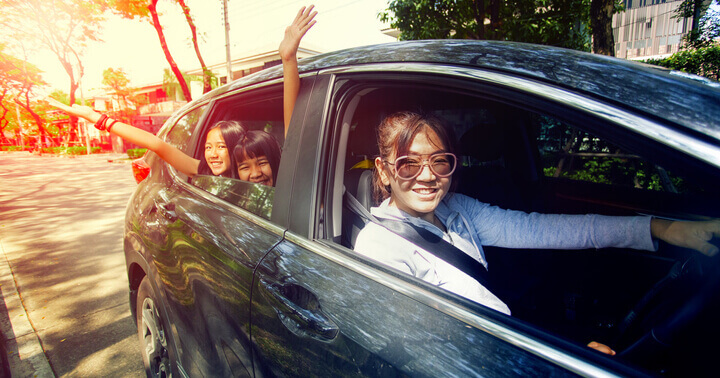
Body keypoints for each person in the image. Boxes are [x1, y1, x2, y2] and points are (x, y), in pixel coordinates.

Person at [353, 111, 720, 354]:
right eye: (408, 163)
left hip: (508, 344)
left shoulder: (458, 208)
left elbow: (545, 228)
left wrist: (662, 228)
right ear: (384, 171)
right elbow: (422, 350)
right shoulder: (380, 246)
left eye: (439, 161)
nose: (428, 175)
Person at [229, 5, 316, 187]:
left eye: (262, 163)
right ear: (236, 173)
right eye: (244, 167)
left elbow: (293, 136)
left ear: (277, 162)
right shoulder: (237, 200)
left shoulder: (286, 190)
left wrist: (288, 59)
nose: (255, 174)